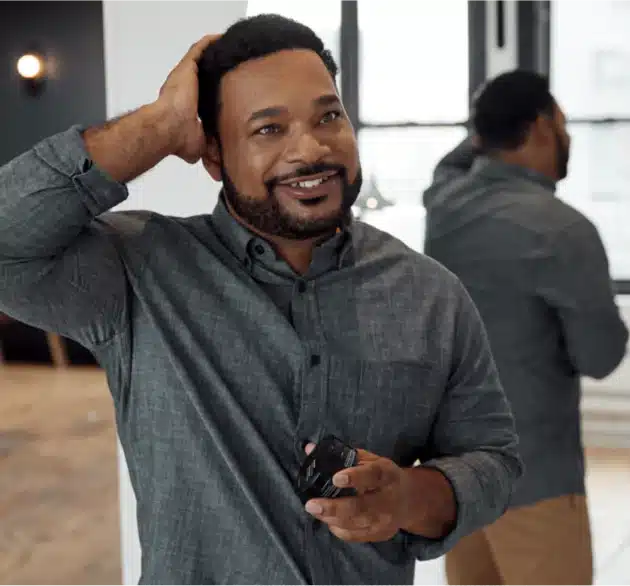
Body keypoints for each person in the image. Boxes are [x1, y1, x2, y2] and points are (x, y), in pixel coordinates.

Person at [0, 15, 522, 586]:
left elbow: (492, 459)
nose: (311, 149)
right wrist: (159, 125)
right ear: (215, 156)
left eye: (328, 116)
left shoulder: (431, 295)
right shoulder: (139, 272)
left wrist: (408, 497)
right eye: (268, 129)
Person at [423, 70, 628, 586]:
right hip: (534, 477)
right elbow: (601, 358)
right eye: (562, 123)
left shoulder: (444, 202)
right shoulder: (564, 230)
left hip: (457, 478)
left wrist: (490, 121)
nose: (569, 137)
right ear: (539, 126)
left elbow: (458, 157)